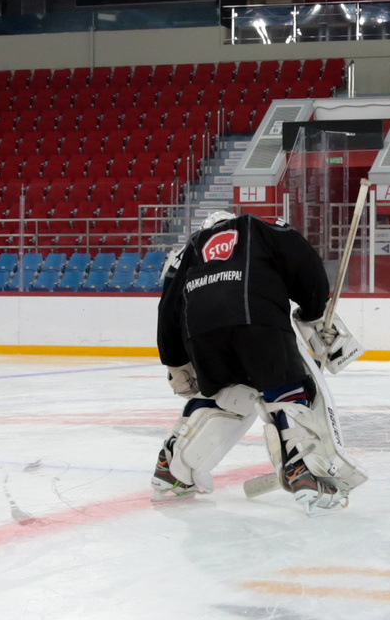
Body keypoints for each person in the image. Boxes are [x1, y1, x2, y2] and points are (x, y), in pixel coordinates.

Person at [153, 209, 364, 511]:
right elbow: (303, 261)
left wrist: (175, 362)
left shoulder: (190, 248)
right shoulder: (257, 225)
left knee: (224, 394)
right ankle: (302, 472)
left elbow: (168, 307)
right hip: (256, 317)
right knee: (287, 388)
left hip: (200, 329)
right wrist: (314, 309)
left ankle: (171, 467)